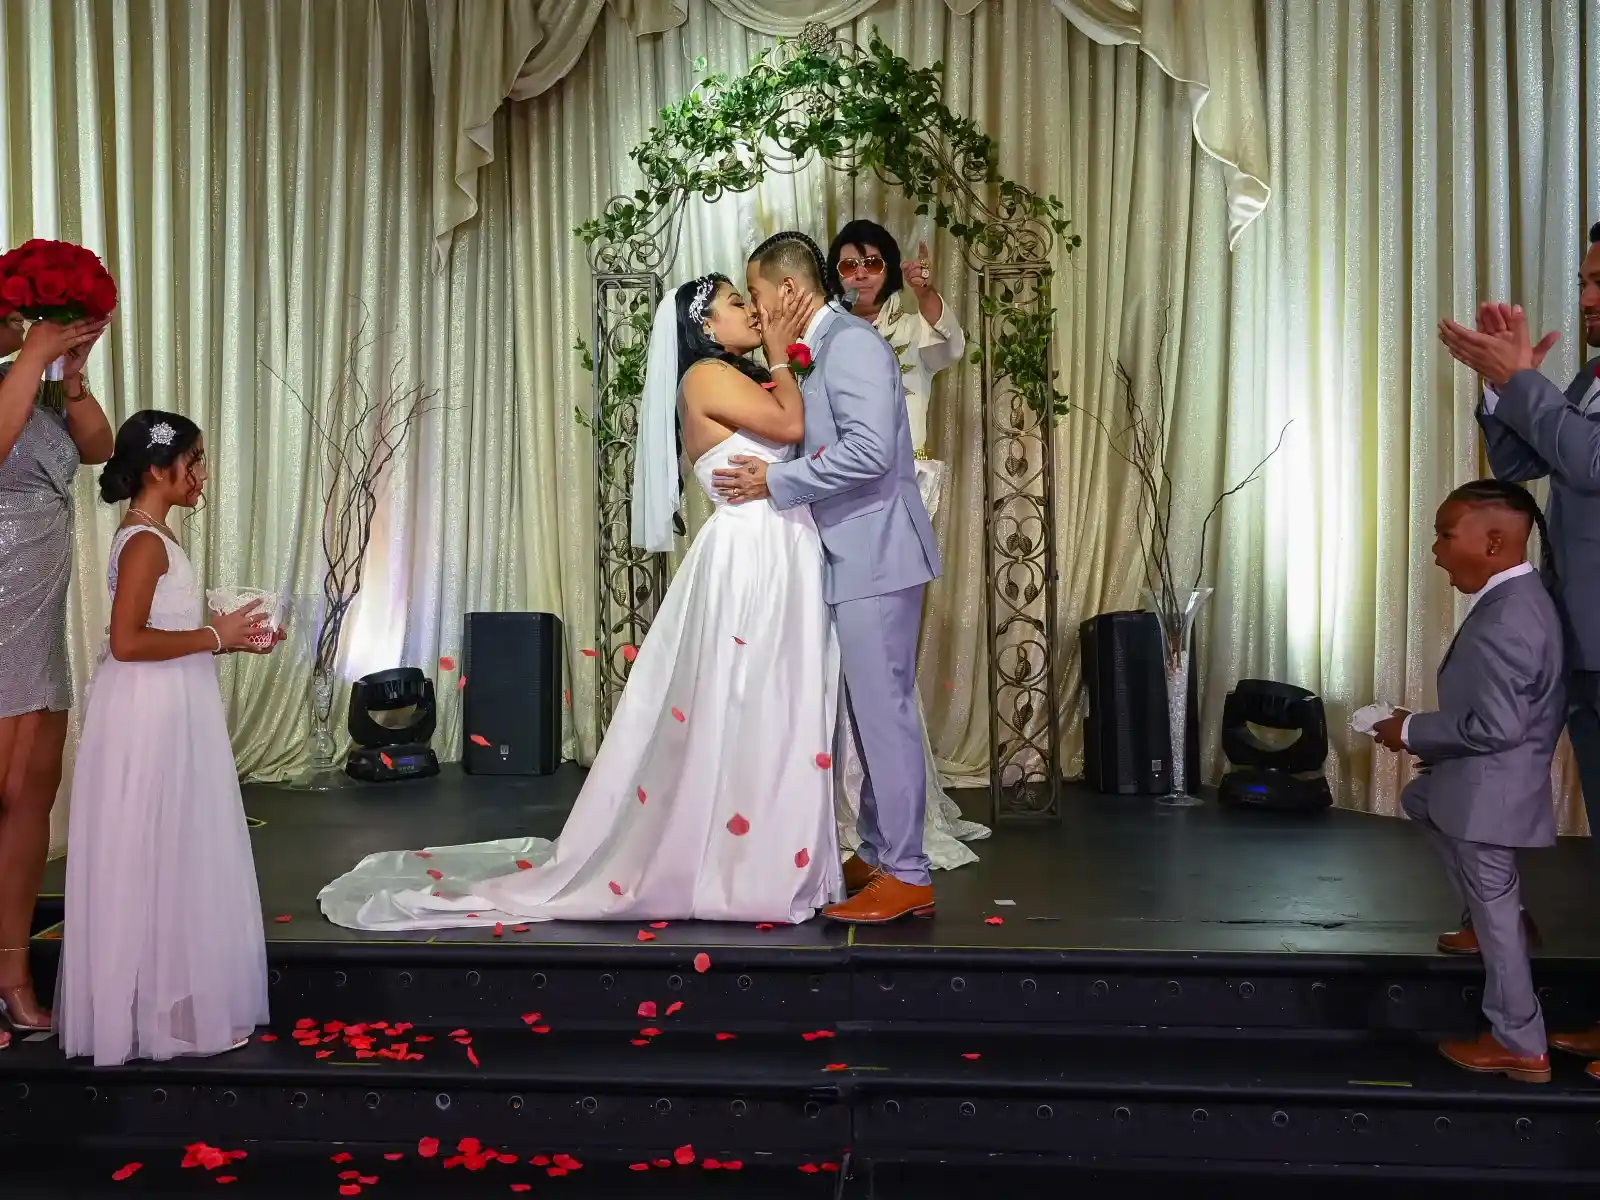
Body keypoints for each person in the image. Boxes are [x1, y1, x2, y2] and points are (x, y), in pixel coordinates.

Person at [318, 273, 844, 930]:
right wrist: (782, 352)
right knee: (753, 700)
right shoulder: (707, 377)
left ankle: (764, 849)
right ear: (705, 327)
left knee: (773, 704)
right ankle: (744, 865)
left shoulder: (732, 377)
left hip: (776, 548)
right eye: (737, 302)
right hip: (755, 556)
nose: (750, 311)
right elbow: (791, 425)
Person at [716, 231, 942, 925]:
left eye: (756, 294)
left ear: (788, 290)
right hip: (851, 552)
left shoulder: (850, 344)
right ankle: (877, 854)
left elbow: (872, 452)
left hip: (876, 551)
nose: (755, 311)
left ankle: (907, 871)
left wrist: (779, 482)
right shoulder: (819, 348)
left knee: (885, 713)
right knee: (865, 717)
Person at [55, 410, 274, 1065]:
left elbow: (161, 625)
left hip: (170, 704)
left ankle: (167, 1009)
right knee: (159, 846)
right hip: (150, 713)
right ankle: (165, 1016)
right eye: (195, 461)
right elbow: (126, 642)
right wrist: (216, 637)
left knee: (168, 848)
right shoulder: (145, 541)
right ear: (158, 469)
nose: (203, 475)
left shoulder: (153, 537)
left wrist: (227, 632)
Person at [1439, 225, 1600, 1074]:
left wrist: (1526, 382)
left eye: (1599, 282)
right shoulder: (1590, 375)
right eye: (1583, 280)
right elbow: (1526, 459)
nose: (1585, 299)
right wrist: (1501, 391)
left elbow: (1593, 459)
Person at [1372, 481, 1564, 1082]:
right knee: (1421, 797)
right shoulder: (1518, 599)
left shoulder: (1511, 618)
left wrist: (1411, 732)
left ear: (1495, 541)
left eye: (1444, 535)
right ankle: (1493, 921)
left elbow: (1495, 725)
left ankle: (1520, 1042)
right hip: (1486, 781)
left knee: (1497, 913)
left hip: (1492, 794)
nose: (1434, 550)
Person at [825, 220, 988, 872]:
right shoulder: (827, 333)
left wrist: (924, 294)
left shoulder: (905, 323)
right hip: (838, 492)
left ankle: (896, 838)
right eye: (847, 266)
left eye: (870, 264)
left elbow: (951, 348)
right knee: (850, 661)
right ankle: (856, 818)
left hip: (900, 486)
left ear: (888, 267)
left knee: (886, 660)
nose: (859, 275)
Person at [0, 310, 112, 1048]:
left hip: (36, 614)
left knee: (27, 797)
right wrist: (30, 352)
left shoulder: (36, 391)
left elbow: (99, 448)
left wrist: (69, 378)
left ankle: (13, 976)